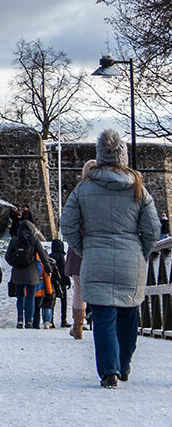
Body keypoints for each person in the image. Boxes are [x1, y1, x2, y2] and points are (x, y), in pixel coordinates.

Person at [61, 129, 160, 388]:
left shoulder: (84, 188)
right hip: (131, 260)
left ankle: (110, 371)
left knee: (104, 317)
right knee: (129, 316)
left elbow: (67, 224)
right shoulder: (138, 186)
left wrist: (84, 248)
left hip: (95, 256)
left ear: (99, 154)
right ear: (123, 155)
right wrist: (142, 251)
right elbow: (152, 229)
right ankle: (124, 364)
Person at [65, 159, 95, 339]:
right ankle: (99, 324)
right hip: (99, 244)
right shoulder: (106, 190)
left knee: (79, 288)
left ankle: (78, 326)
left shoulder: (79, 192)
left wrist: (76, 243)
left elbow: (68, 222)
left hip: (80, 245)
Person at [5, 217, 49, 328]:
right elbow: (43, 256)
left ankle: (20, 319)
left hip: (17, 274)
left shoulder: (15, 240)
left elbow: (7, 257)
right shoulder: (34, 240)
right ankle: (29, 321)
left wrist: (15, 263)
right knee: (30, 298)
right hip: (32, 274)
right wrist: (48, 269)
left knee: (20, 297)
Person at [48, 238, 70, 328]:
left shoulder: (50, 256)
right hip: (61, 282)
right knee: (63, 301)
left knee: (52, 302)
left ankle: (51, 320)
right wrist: (67, 281)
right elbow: (64, 269)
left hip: (52, 282)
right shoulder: (61, 257)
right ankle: (63, 320)